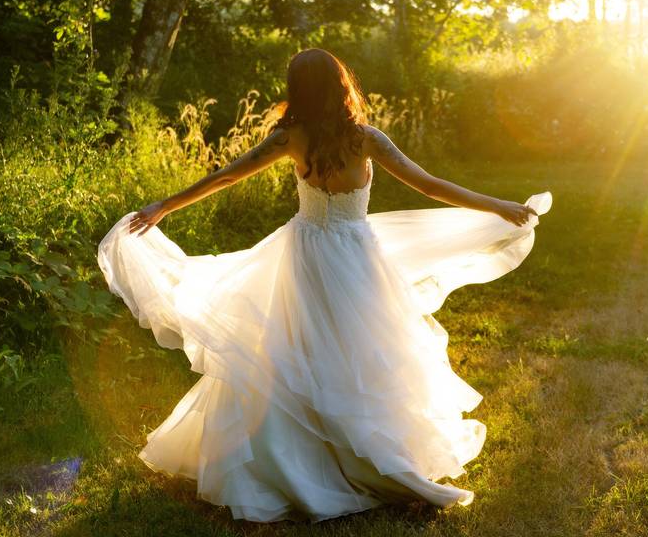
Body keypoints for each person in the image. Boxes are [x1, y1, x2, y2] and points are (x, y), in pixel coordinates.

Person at [97, 47, 552, 523]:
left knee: (293, 352)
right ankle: (367, 458)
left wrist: (163, 207)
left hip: (306, 254)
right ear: (341, 86)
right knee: (358, 354)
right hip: (355, 256)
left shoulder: (290, 137)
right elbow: (431, 185)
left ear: (299, 91)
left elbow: (225, 176)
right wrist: (498, 205)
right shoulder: (367, 139)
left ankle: (292, 464)